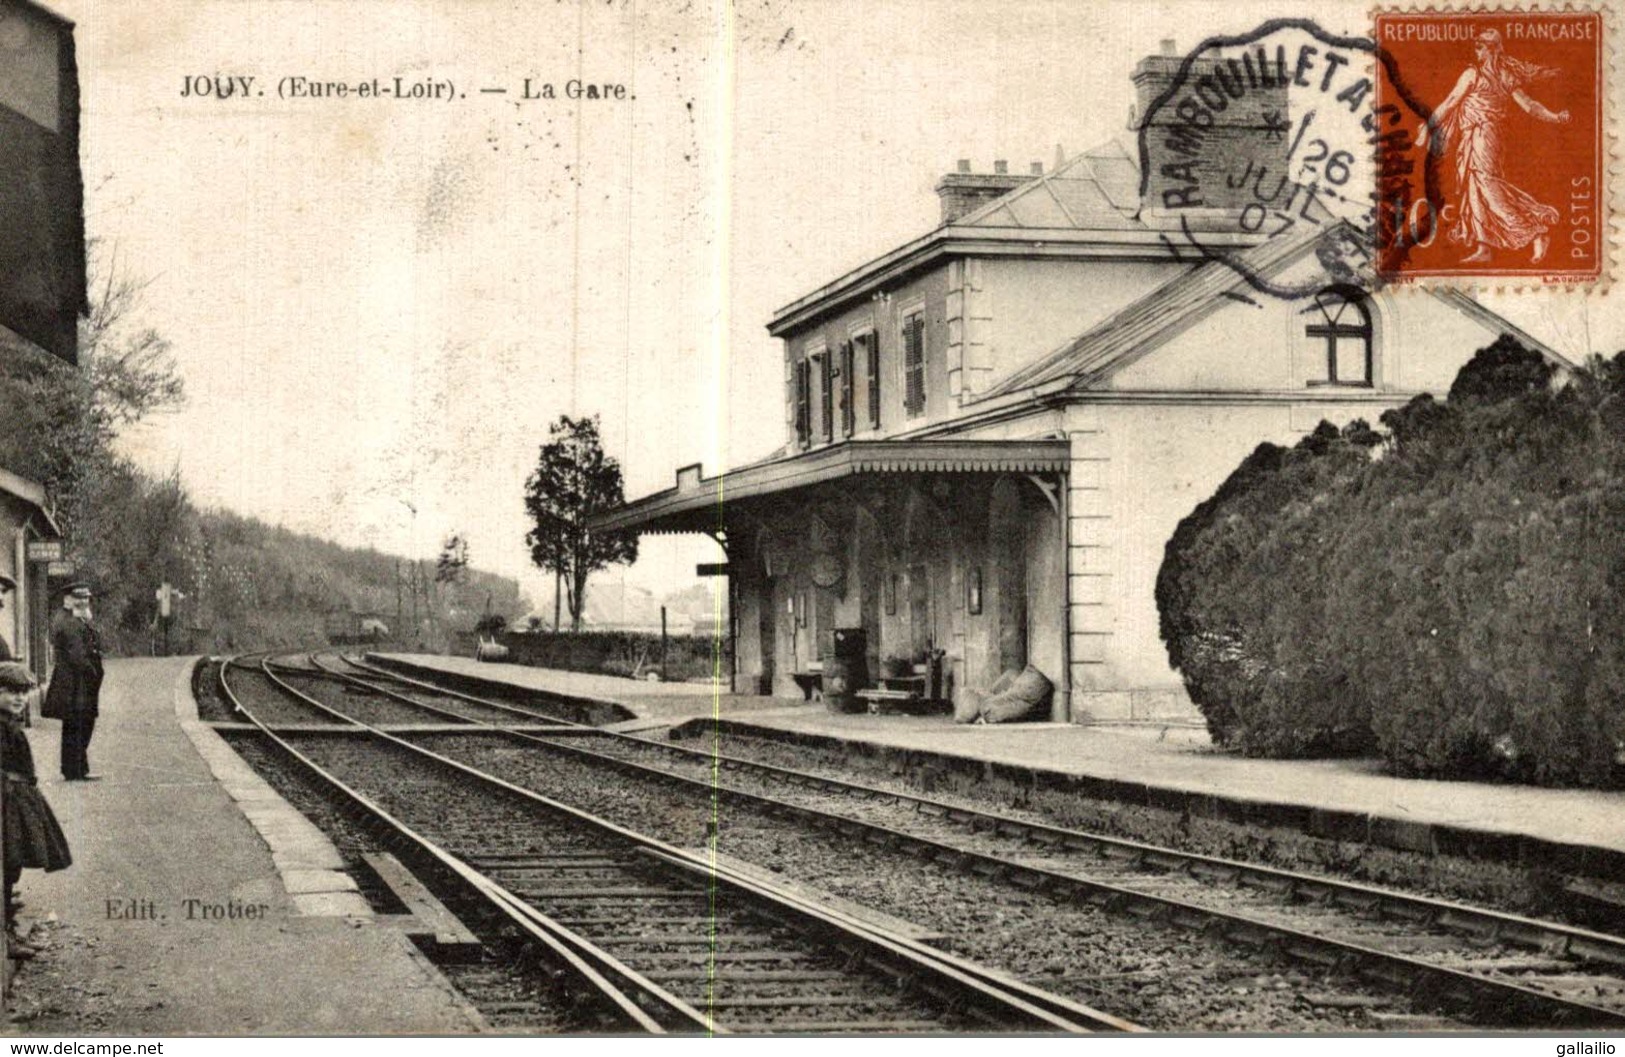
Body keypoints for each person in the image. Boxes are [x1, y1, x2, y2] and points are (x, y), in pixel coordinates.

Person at [1418, 29, 1571, 264]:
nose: (1476, 51)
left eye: (1480, 47)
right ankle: (1484, 247)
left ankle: (1535, 232)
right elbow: (1450, 102)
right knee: (1474, 188)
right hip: (1472, 136)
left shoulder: (1488, 74)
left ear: (1491, 49)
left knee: (1487, 186)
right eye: (1476, 46)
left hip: (1485, 135)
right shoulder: (1481, 73)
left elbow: (1529, 106)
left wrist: (1554, 117)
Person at [0, 660, 71, 959]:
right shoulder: (2, 728)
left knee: (12, 866)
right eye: (10, 691)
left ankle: (9, 931)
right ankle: (7, 935)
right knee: (8, 863)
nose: (19, 698)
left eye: (23, 692)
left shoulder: (10, 725)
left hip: (19, 800)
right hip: (8, 802)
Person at [41, 583, 103, 781]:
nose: (84, 602)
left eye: (86, 598)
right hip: (75, 681)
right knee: (79, 723)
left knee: (77, 723)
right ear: (68, 599)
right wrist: (92, 671)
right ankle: (74, 769)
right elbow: (77, 655)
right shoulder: (68, 622)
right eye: (79, 598)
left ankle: (76, 768)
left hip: (77, 680)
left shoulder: (74, 619)